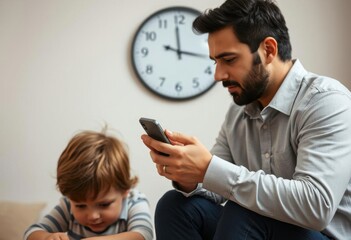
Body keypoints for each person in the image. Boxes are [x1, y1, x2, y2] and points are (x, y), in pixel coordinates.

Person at [140, 0, 351, 239]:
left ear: (268, 50)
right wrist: (189, 176)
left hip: (322, 234)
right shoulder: (238, 113)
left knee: (245, 211)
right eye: (215, 61)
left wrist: (209, 168)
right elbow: (218, 182)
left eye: (228, 60)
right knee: (174, 204)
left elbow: (316, 207)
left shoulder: (325, 101)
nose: (218, 74)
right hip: (262, 228)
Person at [24, 128, 153, 240]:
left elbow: (143, 235)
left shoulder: (134, 201)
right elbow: (31, 232)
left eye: (104, 204)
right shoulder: (67, 206)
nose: (93, 216)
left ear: (125, 190)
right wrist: (47, 237)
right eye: (80, 206)